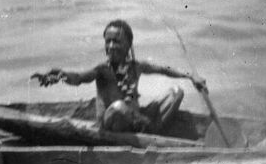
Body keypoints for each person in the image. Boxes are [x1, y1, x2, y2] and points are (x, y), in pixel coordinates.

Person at [31, 19, 207, 133]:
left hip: (134, 119)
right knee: (119, 107)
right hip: (111, 123)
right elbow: (78, 78)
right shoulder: (102, 69)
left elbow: (164, 70)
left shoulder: (137, 66)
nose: (111, 46)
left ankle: (148, 128)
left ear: (129, 44)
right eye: (108, 41)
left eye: (117, 41)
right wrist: (60, 75)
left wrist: (191, 77)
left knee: (176, 93)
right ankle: (149, 129)